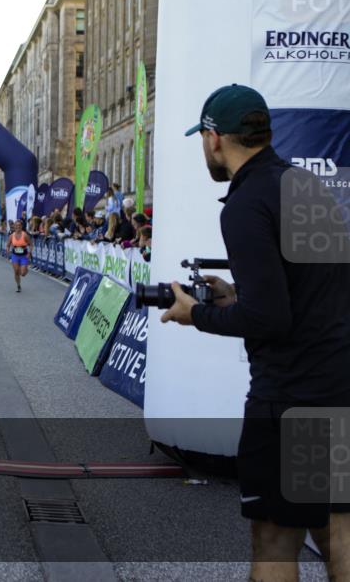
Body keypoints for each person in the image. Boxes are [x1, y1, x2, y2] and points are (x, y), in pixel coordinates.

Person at [160, 84, 350, 581]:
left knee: (274, 542)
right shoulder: (306, 186)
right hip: (335, 385)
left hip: (286, 396)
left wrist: (196, 315)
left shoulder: (244, 204)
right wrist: (236, 296)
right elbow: (311, 291)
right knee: (337, 532)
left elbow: (270, 320)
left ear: (214, 138)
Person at [9, 218, 32, 293]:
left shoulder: (25, 235)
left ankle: (26, 269)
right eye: (16, 225)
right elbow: (8, 245)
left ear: (21, 226)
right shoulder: (12, 236)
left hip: (24, 256)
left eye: (19, 225)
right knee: (16, 271)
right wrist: (8, 251)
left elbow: (31, 245)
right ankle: (18, 285)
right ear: (14, 226)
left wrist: (29, 253)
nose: (18, 227)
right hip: (15, 255)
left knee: (23, 274)